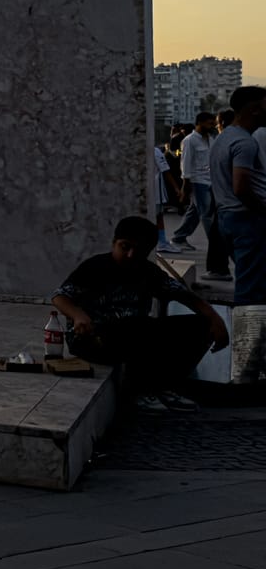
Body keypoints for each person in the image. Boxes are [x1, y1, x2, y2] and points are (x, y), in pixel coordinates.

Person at [52, 215, 227, 413]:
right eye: (125, 247)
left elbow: (187, 297)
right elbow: (60, 296)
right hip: (93, 338)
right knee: (135, 328)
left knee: (198, 325)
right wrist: (78, 315)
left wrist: (215, 320)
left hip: (135, 332)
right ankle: (138, 392)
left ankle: (165, 386)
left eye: (139, 250)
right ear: (114, 244)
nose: (130, 255)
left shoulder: (148, 272)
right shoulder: (95, 267)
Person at [211, 85, 266, 309]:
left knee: (251, 280)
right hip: (247, 219)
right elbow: (241, 187)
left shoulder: (223, 138)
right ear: (254, 110)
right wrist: (263, 210)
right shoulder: (245, 143)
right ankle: (247, 342)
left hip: (228, 217)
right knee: (251, 290)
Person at [172, 111, 222, 263]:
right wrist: (185, 185)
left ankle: (179, 237)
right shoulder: (189, 140)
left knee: (195, 211)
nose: (212, 126)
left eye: (213, 123)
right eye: (210, 123)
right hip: (197, 181)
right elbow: (185, 163)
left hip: (210, 180)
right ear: (199, 122)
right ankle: (216, 244)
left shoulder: (211, 138)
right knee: (207, 214)